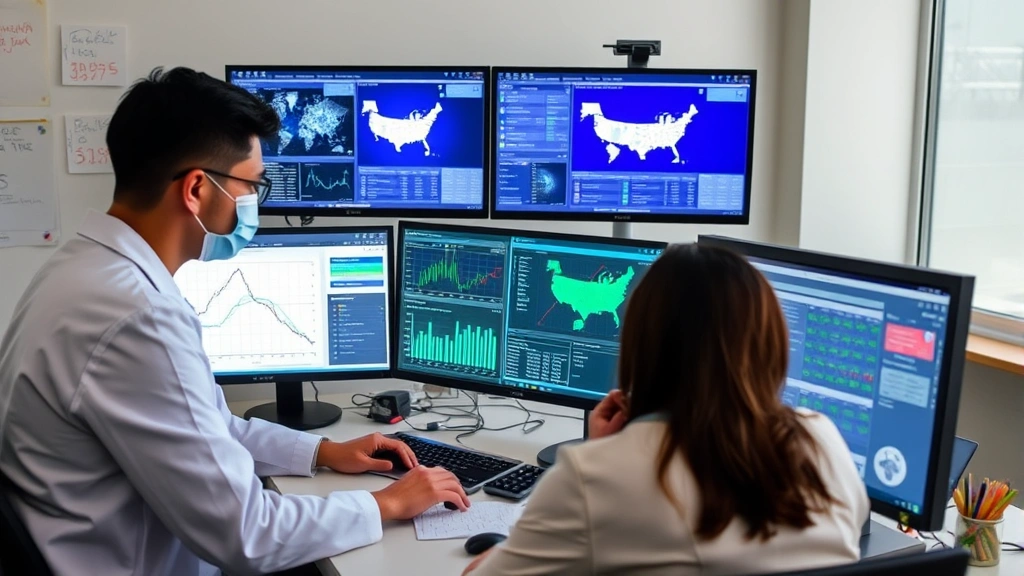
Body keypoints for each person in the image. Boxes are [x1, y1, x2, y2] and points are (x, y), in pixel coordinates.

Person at [0, 67, 469, 576]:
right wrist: (388, 504)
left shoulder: (82, 268)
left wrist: (324, 452)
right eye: (252, 185)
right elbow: (247, 535)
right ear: (197, 190)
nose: (254, 204)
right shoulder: (138, 316)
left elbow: (209, 430)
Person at [464, 244, 869, 575]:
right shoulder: (823, 441)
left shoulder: (594, 477)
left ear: (642, 344)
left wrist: (601, 454)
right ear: (771, 343)